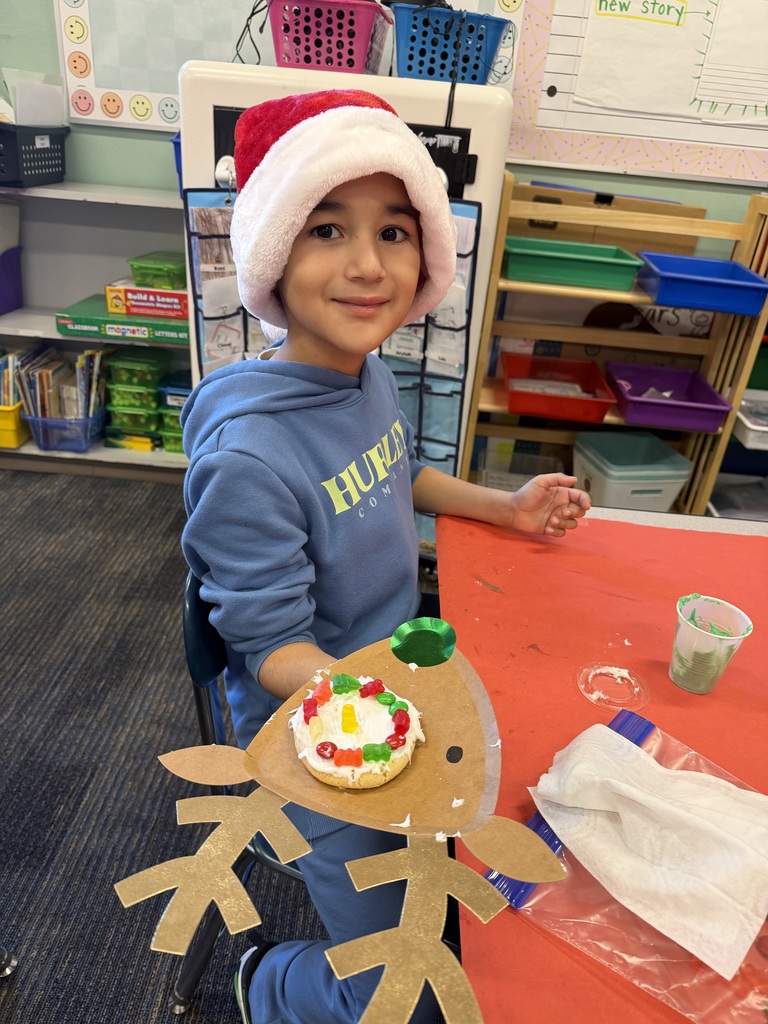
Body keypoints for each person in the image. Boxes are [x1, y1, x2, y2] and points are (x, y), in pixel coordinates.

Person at [180, 89, 590, 1024]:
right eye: (327, 230)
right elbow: (274, 651)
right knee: (402, 999)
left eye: (394, 232)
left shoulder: (359, 375)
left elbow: (395, 473)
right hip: (322, 735)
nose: (368, 266)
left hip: (396, 678)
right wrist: (385, 715)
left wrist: (505, 507)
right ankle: (273, 985)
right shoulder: (249, 460)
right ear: (273, 256)